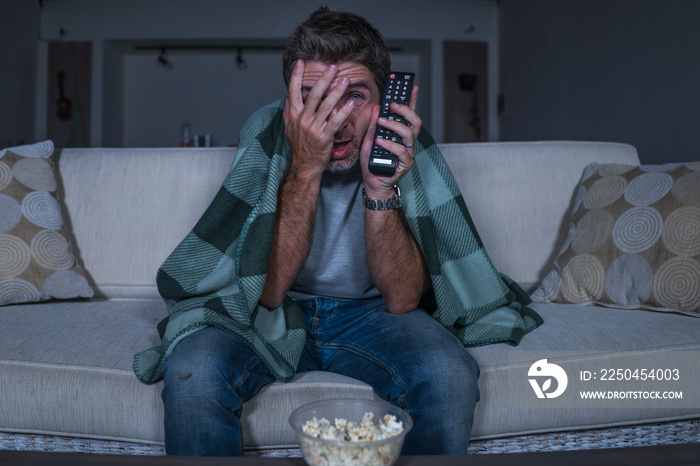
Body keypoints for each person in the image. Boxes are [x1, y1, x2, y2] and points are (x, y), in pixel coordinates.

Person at [134, 6, 541, 457]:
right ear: (290, 101)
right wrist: (306, 165)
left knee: (448, 374)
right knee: (194, 369)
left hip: (371, 314)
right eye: (314, 97)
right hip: (273, 308)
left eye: (354, 96)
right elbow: (266, 293)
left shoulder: (402, 140)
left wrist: (379, 187)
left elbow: (404, 300)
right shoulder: (268, 132)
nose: (335, 120)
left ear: (385, 97)